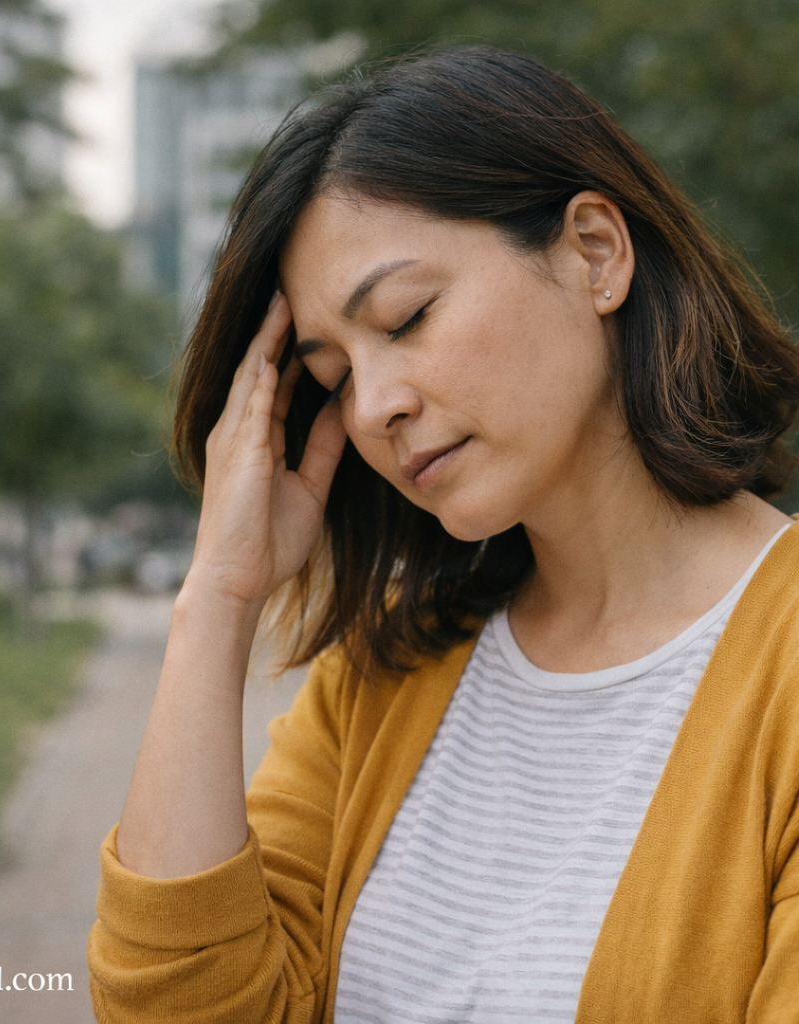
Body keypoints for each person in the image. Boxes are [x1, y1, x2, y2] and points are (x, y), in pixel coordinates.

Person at [88, 47, 799, 1024]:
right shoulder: (385, 671)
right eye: (331, 375)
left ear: (594, 252)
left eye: (407, 316)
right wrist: (216, 597)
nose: (375, 406)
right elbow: (178, 1004)